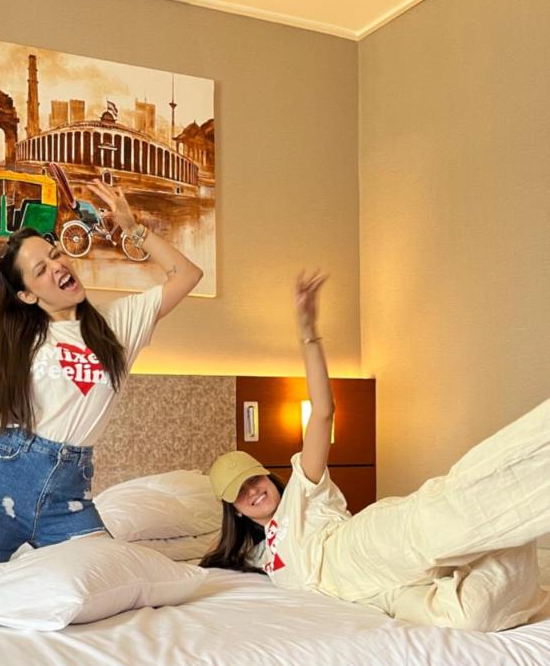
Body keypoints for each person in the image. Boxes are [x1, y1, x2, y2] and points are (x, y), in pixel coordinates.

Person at [203, 271, 549, 632]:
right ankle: (515, 533)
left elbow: (322, 412)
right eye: (240, 494)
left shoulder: (302, 489)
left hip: (357, 551)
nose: (253, 492)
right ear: (235, 511)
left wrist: (308, 333)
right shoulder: (255, 557)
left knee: (447, 517)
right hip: (374, 598)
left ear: (267, 474)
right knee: (474, 616)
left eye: (253, 480)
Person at [0, 180, 203, 591]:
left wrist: (132, 228)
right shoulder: (13, 343)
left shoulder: (117, 325)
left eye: (55, 255)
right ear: (28, 295)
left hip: (68, 494)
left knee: (118, 587)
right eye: (41, 270)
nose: (58, 266)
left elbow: (187, 275)